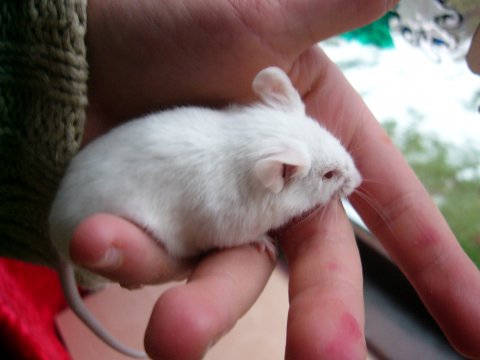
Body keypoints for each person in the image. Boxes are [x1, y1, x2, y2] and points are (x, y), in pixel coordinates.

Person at [1, 1, 479, 359]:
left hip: (86, 182)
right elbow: (220, 224)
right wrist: (254, 236)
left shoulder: (250, 136)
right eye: (331, 175)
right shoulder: (242, 189)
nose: (347, 180)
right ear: (280, 174)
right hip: (93, 202)